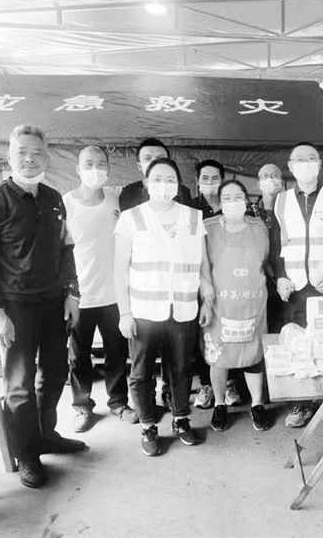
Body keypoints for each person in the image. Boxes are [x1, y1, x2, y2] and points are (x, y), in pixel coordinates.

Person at [0, 124, 86, 489]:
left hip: (53, 302)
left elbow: (67, 250)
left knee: (54, 373)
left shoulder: (54, 198)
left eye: (37, 153)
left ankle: (46, 435)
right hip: (14, 307)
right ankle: (27, 454)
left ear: (47, 157)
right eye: (22, 153)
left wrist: (72, 294)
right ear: (9, 157)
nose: (30, 159)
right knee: (19, 384)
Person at [113, 157, 206, 456]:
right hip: (144, 311)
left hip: (183, 308)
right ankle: (148, 425)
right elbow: (119, 271)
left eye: (169, 179)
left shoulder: (193, 217)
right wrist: (124, 313)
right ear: (146, 183)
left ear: (178, 184)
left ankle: (181, 419)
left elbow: (202, 264)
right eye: (157, 179)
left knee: (181, 368)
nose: (163, 185)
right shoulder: (131, 218)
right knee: (141, 372)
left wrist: (207, 299)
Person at [270, 142, 323, 428]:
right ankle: (301, 404)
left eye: (311, 159)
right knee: (297, 346)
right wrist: (280, 276)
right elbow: (275, 244)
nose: (305, 163)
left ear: (319, 165)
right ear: (290, 167)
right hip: (294, 286)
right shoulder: (280, 201)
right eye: (299, 159)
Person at [63, 146, 137, 434]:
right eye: (89, 164)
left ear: (108, 168)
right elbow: (61, 251)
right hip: (80, 296)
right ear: (78, 169)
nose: (95, 170)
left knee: (117, 352)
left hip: (115, 293)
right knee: (78, 356)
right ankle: (82, 406)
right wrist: (69, 292)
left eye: (101, 164)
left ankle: (118, 402)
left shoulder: (116, 199)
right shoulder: (67, 203)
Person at [202, 180, 272, 432]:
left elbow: (265, 260)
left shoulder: (258, 227)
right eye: (227, 197)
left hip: (253, 302)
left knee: (253, 354)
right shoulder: (207, 228)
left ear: (246, 199)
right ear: (220, 202)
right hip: (219, 304)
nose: (233, 202)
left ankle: (257, 404)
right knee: (219, 356)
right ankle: (220, 404)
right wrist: (206, 301)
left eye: (238, 196)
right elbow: (202, 268)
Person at [191, 159, 243, 410]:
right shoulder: (190, 210)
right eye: (205, 178)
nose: (210, 183)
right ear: (197, 181)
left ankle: (230, 383)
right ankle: (207, 385)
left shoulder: (233, 208)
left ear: (223, 181)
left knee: (231, 333)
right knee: (206, 335)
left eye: (215, 178)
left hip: (231, 283)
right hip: (200, 282)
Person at [249, 163, 285, 333]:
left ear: (282, 182)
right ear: (258, 184)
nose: (270, 179)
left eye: (275, 175)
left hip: (286, 278)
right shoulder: (249, 212)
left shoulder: (291, 210)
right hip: (257, 280)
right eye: (265, 176)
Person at [119, 137, 191, 212]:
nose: (154, 162)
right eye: (148, 158)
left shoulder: (182, 192)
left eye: (160, 158)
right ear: (139, 166)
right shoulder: (129, 192)